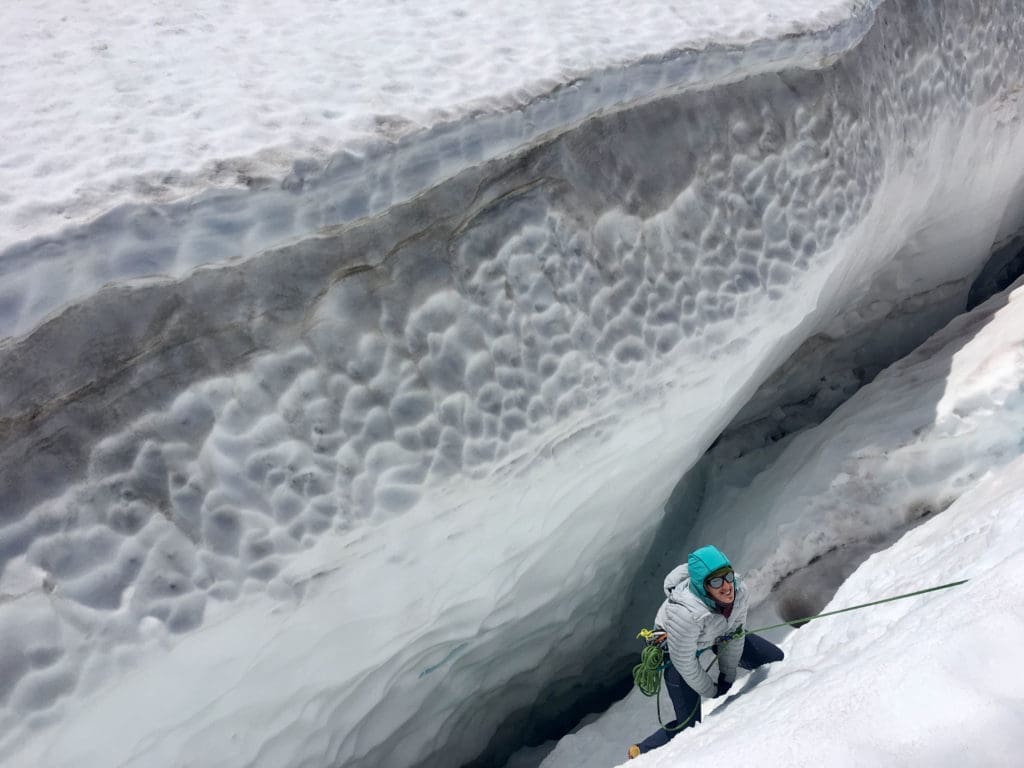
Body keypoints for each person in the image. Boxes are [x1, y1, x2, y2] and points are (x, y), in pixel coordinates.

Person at [628, 545, 784, 759]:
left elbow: (735, 634)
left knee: (775, 661)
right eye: (716, 581)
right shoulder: (685, 614)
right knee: (688, 727)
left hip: (715, 633)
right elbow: (684, 661)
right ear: (703, 586)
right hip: (676, 652)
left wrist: (727, 676)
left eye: (727, 576)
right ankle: (642, 751)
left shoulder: (739, 592)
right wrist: (712, 690)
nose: (727, 586)